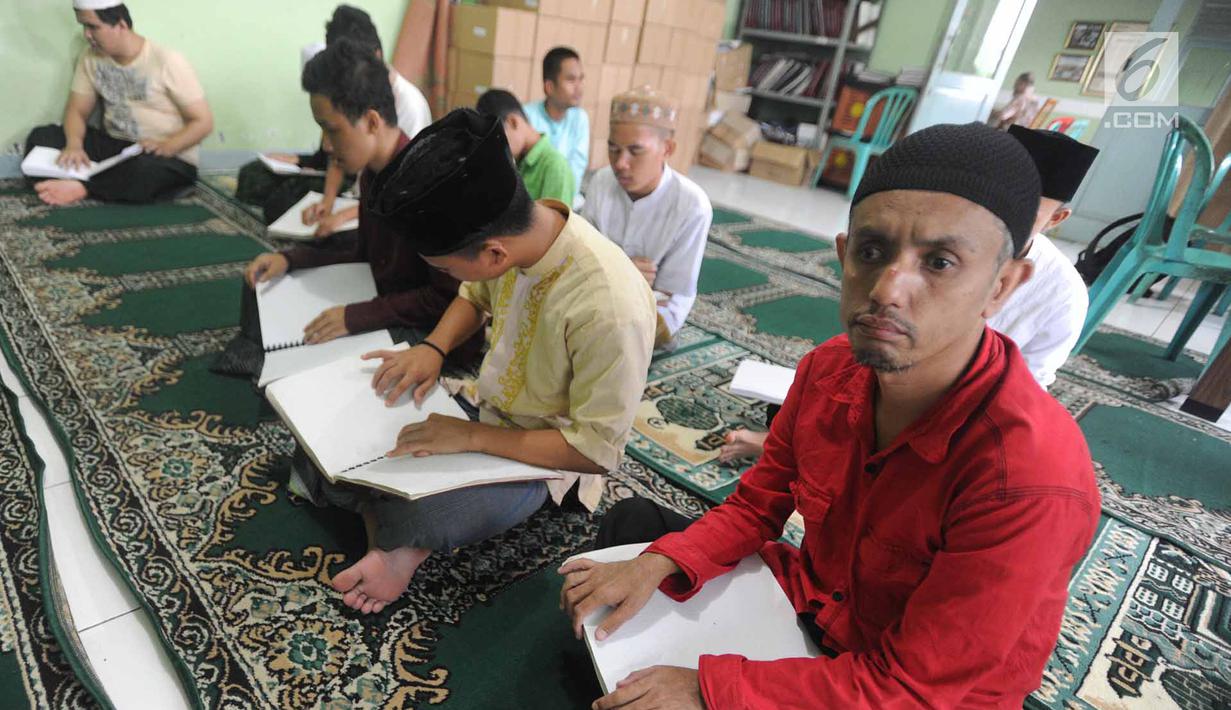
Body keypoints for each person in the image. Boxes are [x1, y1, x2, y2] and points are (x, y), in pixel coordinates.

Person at [561, 122, 1100, 709]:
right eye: (873, 252)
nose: (889, 289)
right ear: (844, 257)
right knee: (636, 537)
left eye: (940, 262)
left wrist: (710, 690)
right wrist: (661, 561)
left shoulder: (1028, 476)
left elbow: (914, 688)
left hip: (909, 692)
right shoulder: (828, 371)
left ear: (1003, 286)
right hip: (813, 606)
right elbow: (755, 506)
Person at [303, 109, 655, 615]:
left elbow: (594, 451)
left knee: (416, 508)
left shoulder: (610, 307)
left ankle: (399, 541)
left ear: (492, 251)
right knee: (339, 435)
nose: (449, 276)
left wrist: (471, 437)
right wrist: (433, 349)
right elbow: (475, 293)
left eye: (444, 266)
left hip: (540, 457)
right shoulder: (520, 235)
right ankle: (389, 522)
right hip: (477, 407)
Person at [217, 39, 471, 378]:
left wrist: (357, 316)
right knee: (263, 283)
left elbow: (446, 298)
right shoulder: (372, 173)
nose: (325, 144)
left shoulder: (428, 183)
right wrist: (291, 258)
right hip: (379, 296)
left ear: (371, 121)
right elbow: (364, 252)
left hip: (426, 330)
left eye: (331, 129)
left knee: (339, 369)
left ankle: (268, 356)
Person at [236, 5, 432, 237]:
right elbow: (335, 154)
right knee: (256, 180)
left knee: (324, 229)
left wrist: (343, 215)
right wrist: (327, 202)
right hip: (356, 187)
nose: (327, 143)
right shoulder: (345, 106)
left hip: (374, 201)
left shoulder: (409, 106)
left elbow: (402, 193)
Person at [25, 0, 213, 207]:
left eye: (93, 27)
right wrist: (74, 146)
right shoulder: (90, 58)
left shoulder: (167, 61)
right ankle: (98, 184)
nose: (87, 35)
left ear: (121, 25)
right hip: (115, 147)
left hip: (162, 155)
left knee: (145, 170)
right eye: (84, 26)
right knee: (43, 136)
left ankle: (82, 187)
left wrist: (167, 146)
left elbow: (202, 122)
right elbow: (77, 111)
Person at [583, 86, 711, 348]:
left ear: (667, 148)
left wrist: (607, 270)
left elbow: (668, 292)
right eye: (614, 149)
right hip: (594, 291)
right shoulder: (602, 181)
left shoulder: (692, 205)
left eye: (635, 151)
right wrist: (624, 269)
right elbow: (580, 258)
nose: (620, 163)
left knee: (615, 336)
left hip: (655, 310)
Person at [989, 125, 1099, 387]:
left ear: (1056, 218)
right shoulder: (928, 241)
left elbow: (1031, 380)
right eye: (994, 199)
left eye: (1026, 210)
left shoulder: (1063, 292)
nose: (1001, 217)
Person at [475, 88, 575, 203]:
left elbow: (558, 220)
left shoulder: (555, 167)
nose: (496, 150)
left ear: (513, 122)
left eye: (496, 140)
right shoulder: (515, 162)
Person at [524, 47, 589, 197]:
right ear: (550, 87)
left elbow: (577, 169)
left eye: (581, 79)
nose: (579, 87)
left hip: (567, 199)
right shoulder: (527, 116)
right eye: (571, 80)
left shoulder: (580, 119)